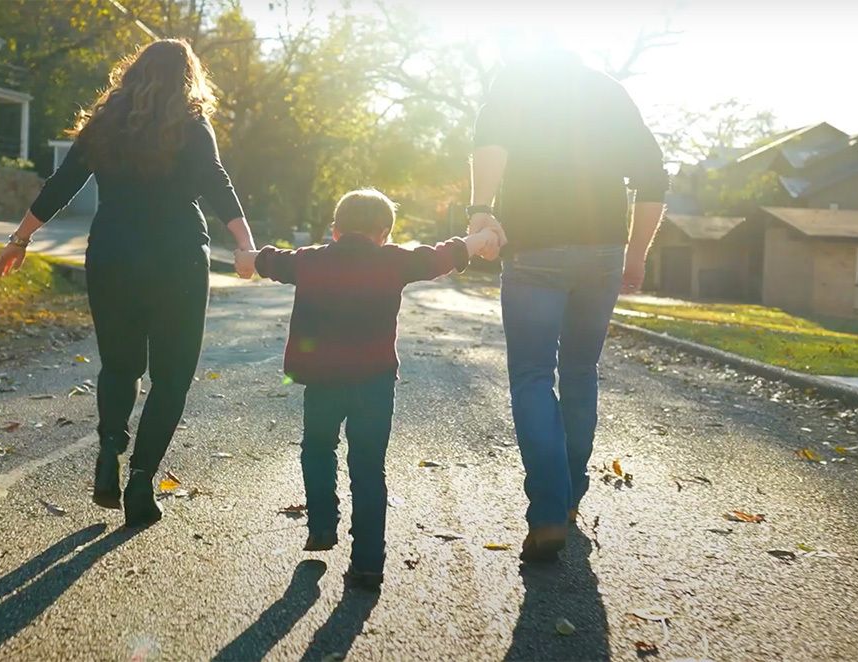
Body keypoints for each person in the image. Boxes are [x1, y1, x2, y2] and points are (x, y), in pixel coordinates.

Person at [0, 40, 256, 527]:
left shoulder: (105, 124)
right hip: (177, 258)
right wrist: (245, 245)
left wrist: (19, 239)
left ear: (132, 73)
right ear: (188, 78)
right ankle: (140, 480)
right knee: (171, 377)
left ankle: (109, 449)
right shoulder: (192, 123)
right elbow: (217, 181)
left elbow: (63, 181)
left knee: (120, 366)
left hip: (112, 255)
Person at [235, 189, 498, 590]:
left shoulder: (310, 261)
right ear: (385, 234)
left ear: (335, 230)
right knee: (368, 467)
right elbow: (440, 256)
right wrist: (479, 240)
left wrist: (247, 257)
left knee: (318, 448)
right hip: (374, 383)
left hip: (322, 381)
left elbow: (270, 261)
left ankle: (322, 523)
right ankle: (369, 563)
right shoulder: (394, 261)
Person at [469, 50, 668, 562]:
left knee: (533, 375)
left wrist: (482, 211)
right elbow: (653, 176)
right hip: (602, 250)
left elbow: (489, 142)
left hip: (534, 247)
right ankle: (571, 497)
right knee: (580, 371)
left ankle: (549, 511)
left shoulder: (514, 76)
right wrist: (636, 254)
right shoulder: (607, 90)